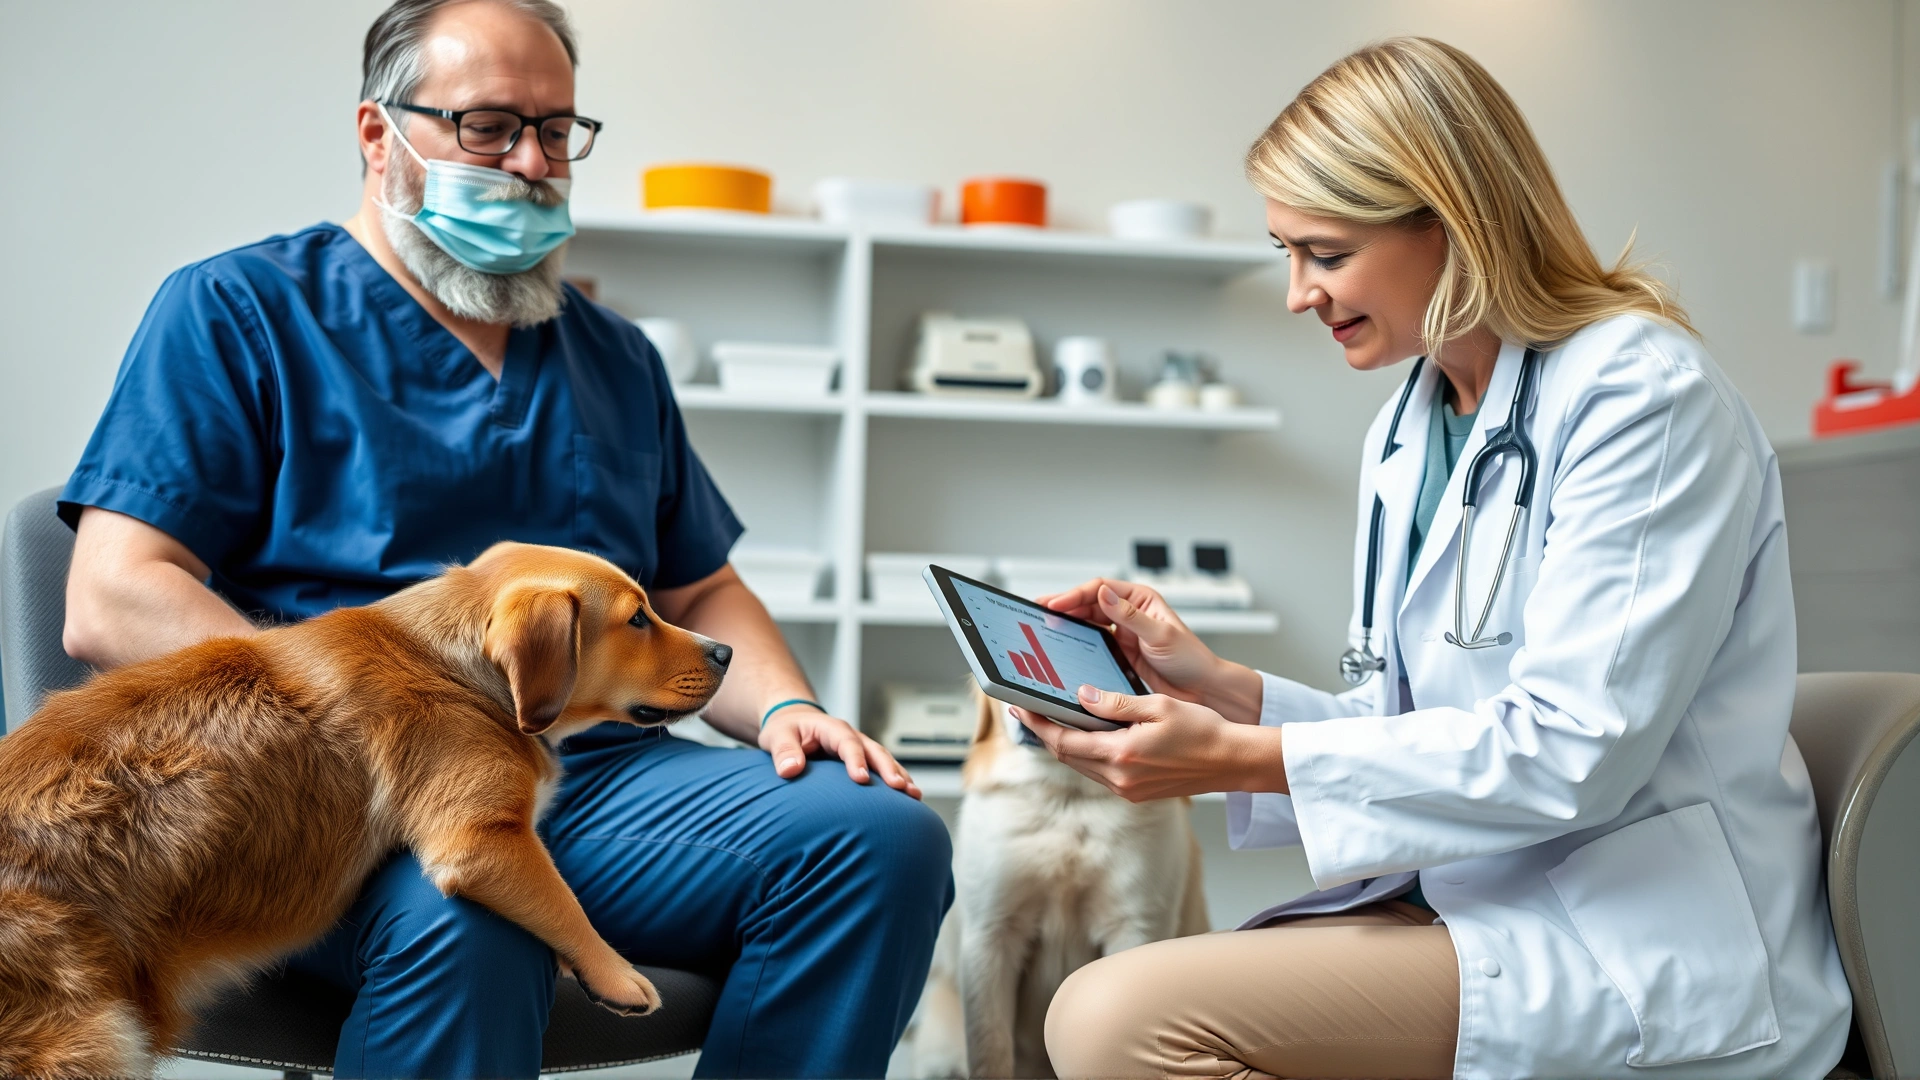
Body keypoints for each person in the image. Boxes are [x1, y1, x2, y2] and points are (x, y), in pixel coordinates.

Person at [55, 1, 951, 1076]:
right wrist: (387, 743)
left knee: (880, 843)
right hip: (343, 795)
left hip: (597, 783)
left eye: (557, 129)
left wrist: (794, 708)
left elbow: (702, 592)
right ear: (379, 135)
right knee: (474, 922)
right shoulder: (237, 312)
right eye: (487, 127)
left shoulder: (613, 356)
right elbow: (113, 596)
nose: (532, 162)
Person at [1017, 38, 1851, 1080]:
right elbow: (1412, 729)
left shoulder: (1644, 397)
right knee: (1106, 1012)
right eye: (1287, 254)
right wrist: (1219, 689)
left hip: (1636, 940)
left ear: (1451, 220)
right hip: (1473, 899)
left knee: (1114, 1022)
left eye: (1323, 253)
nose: (1297, 294)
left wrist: (1235, 759)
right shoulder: (1412, 426)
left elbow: (1568, 752)